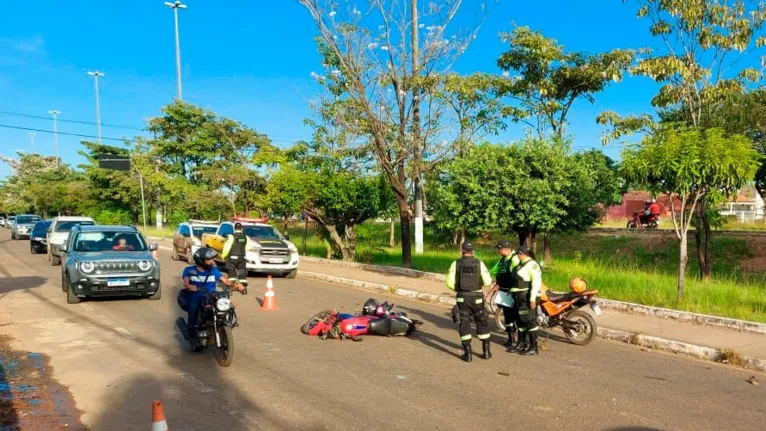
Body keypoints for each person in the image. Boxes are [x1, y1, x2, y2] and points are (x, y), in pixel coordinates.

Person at [179, 247, 240, 344]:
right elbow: (185, 282)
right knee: (193, 307)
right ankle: (191, 332)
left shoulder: (213, 270)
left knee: (227, 306)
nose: (211, 261)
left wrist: (236, 285)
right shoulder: (189, 270)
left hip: (210, 295)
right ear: (201, 260)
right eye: (208, 260)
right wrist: (190, 286)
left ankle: (224, 326)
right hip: (196, 295)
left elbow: (225, 281)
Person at [446, 241, 493, 362]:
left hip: (463, 297)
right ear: (473, 251)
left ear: (461, 250)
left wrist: (458, 288)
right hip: (477, 297)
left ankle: (468, 354)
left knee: (464, 322)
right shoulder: (479, 263)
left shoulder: (455, 264)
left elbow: (450, 283)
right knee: (482, 321)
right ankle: (486, 352)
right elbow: (488, 281)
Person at [508, 246, 543, 356]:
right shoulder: (521, 265)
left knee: (530, 321)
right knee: (520, 321)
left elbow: (536, 282)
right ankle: (521, 344)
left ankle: (533, 347)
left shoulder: (532, 265)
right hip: (518, 297)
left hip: (526, 297)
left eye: (518, 255)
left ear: (522, 254)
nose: (517, 257)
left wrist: (532, 298)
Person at [489, 239, 520, 349]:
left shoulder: (515, 259)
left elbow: (518, 275)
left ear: (503, 249)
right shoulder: (502, 260)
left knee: (517, 316)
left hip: (513, 293)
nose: (498, 251)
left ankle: (520, 340)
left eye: (499, 249)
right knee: (507, 317)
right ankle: (510, 338)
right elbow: (493, 270)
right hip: (503, 292)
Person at [222, 222, 249, 292]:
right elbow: (248, 247)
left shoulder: (231, 236)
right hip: (242, 257)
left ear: (234, 228)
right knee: (242, 272)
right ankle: (244, 289)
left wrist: (224, 256)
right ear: (241, 229)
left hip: (232, 257)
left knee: (231, 272)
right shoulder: (245, 237)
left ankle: (230, 288)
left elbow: (227, 247)